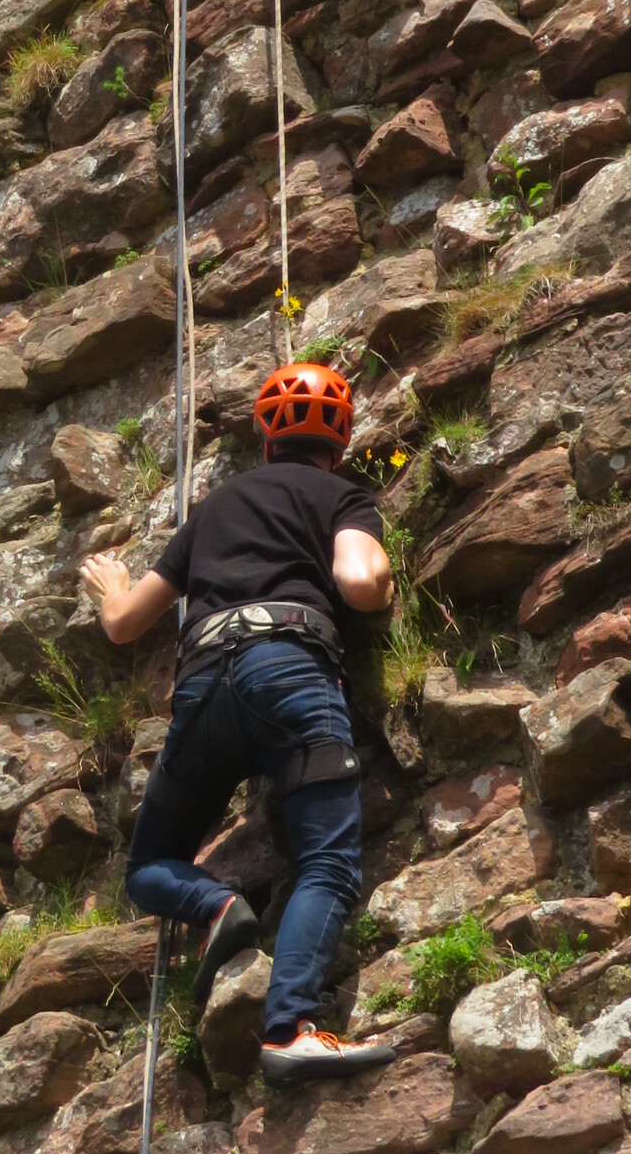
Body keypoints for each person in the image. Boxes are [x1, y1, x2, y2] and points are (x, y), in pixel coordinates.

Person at [80, 361, 395, 1085]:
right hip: (290, 672)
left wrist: (113, 584)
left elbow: (124, 624)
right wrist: (383, 584)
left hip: (203, 692)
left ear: (264, 440)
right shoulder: (344, 495)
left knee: (147, 866)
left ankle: (216, 905)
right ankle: (290, 1032)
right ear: (340, 444)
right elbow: (358, 581)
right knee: (326, 863)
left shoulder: (214, 509)